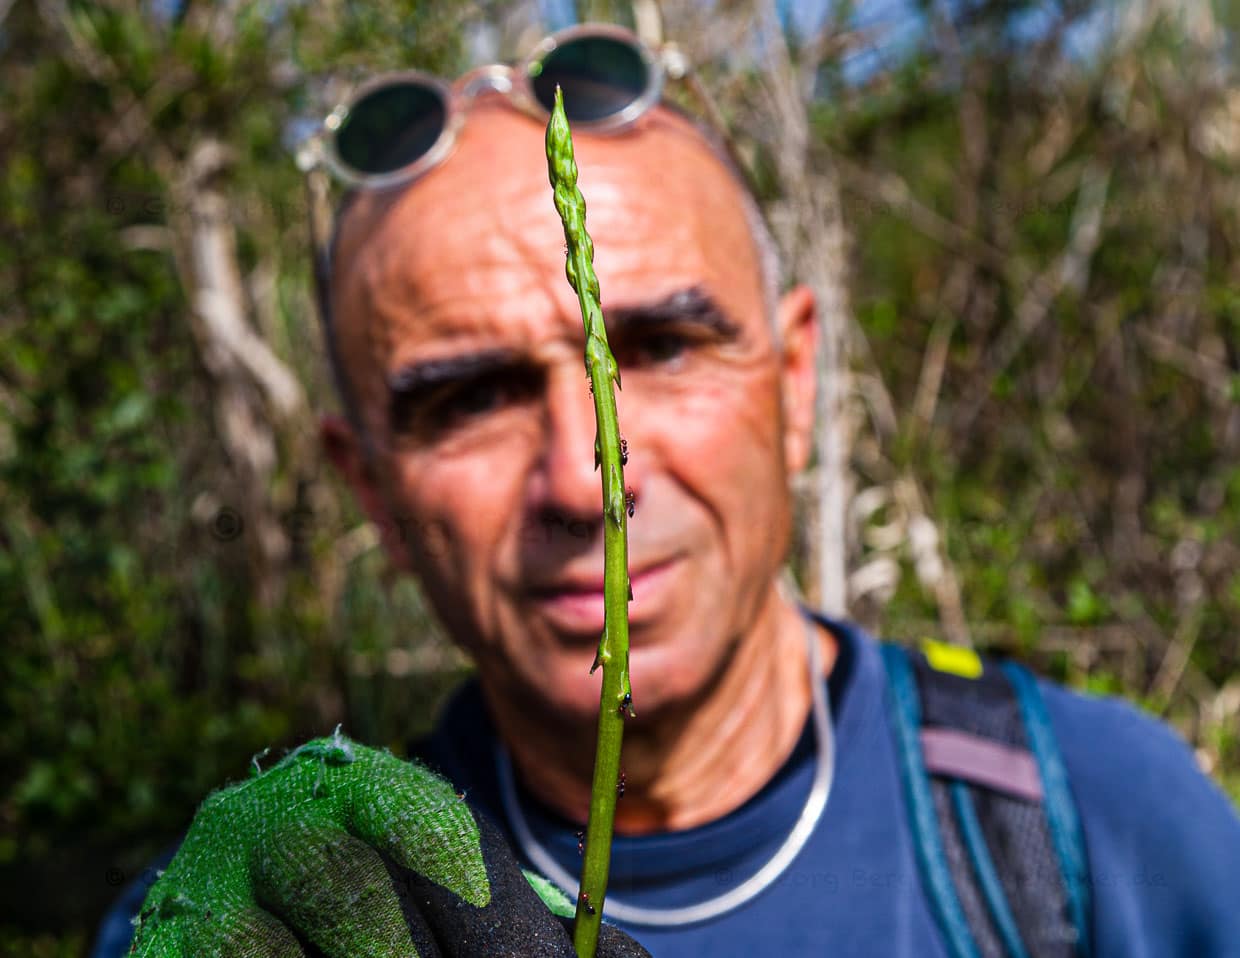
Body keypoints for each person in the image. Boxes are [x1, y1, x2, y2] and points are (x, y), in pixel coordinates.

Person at [95, 25, 1240, 958]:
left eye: (666, 346)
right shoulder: (290, 910)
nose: (586, 487)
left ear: (795, 386)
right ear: (373, 493)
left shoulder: (1101, 828)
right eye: (467, 398)